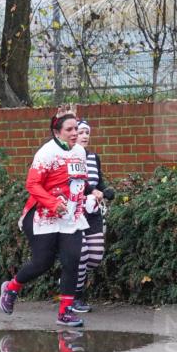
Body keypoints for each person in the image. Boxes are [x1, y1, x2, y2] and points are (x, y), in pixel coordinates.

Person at [0, 106, 89, 327]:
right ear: (57, 132)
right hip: (42, 215)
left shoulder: (80, 152)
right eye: (70, 129)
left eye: (76, 128)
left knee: (72, 260)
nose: (75, 133)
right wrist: (52, 202)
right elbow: (32, 184)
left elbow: (79, 181)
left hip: (70, 217)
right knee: (42, 263)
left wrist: (86, 197)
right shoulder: (46, 153)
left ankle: (65, 312)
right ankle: (11, 288)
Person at [70, 120, 115, 313]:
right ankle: (75, 297)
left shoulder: (94, 157)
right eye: (81, 132)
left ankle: (69, 277)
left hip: (93, 212)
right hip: (75, 212)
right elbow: (74, 181)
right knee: (82, 254)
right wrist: (92, 190)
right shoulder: (69, 157)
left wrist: (105, 190)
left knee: (95, 257)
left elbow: (99, 180)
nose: (85, 136)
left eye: (87, 132)